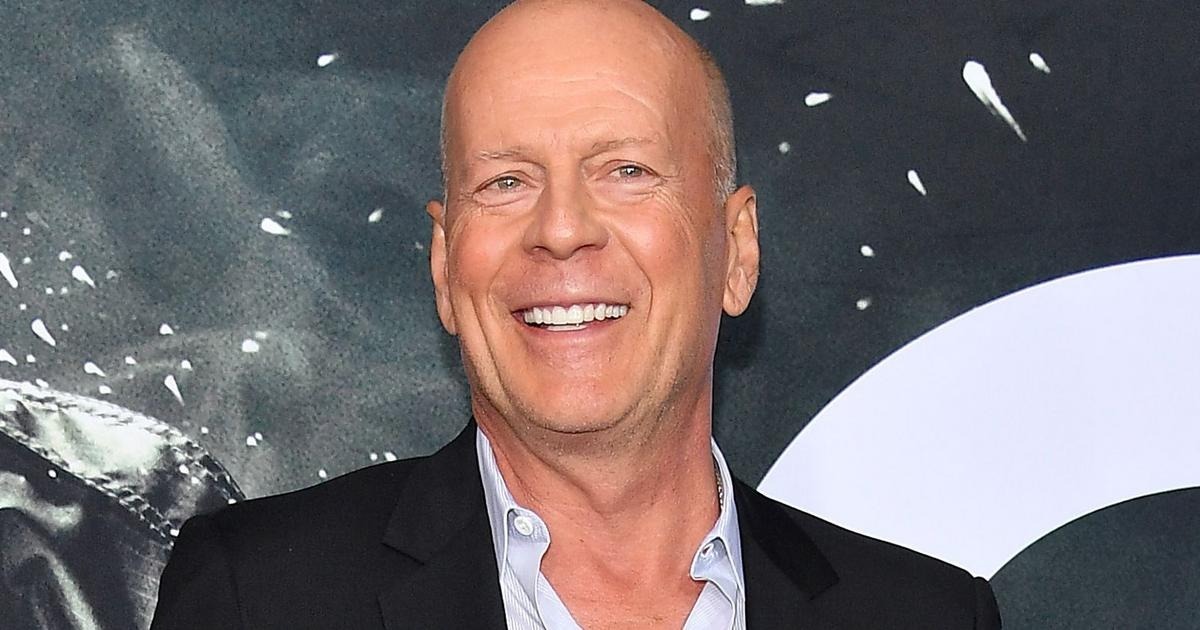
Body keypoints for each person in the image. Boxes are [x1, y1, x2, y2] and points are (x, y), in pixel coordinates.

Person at [150, 0, 1002, 628]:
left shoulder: (924, 617)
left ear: (738, 251)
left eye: (626, 171)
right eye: (506, 182)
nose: (561, 230)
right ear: (445, 266)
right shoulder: (258, 599)